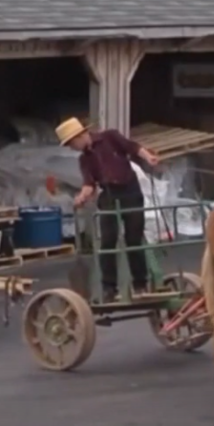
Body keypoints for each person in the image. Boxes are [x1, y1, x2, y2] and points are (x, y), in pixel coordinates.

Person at [55, 117, 161, 301]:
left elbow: (133, 147)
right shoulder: (84, 160)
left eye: (71, 144)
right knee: (107, 243)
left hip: (130, 192)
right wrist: (81, 197)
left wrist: (148, 157)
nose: (72, 148)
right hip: (109, 196)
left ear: (79, 136)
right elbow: (90, 184)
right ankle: (109, 288)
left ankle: (140, 284)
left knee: (134, 240)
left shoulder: (110, 137)